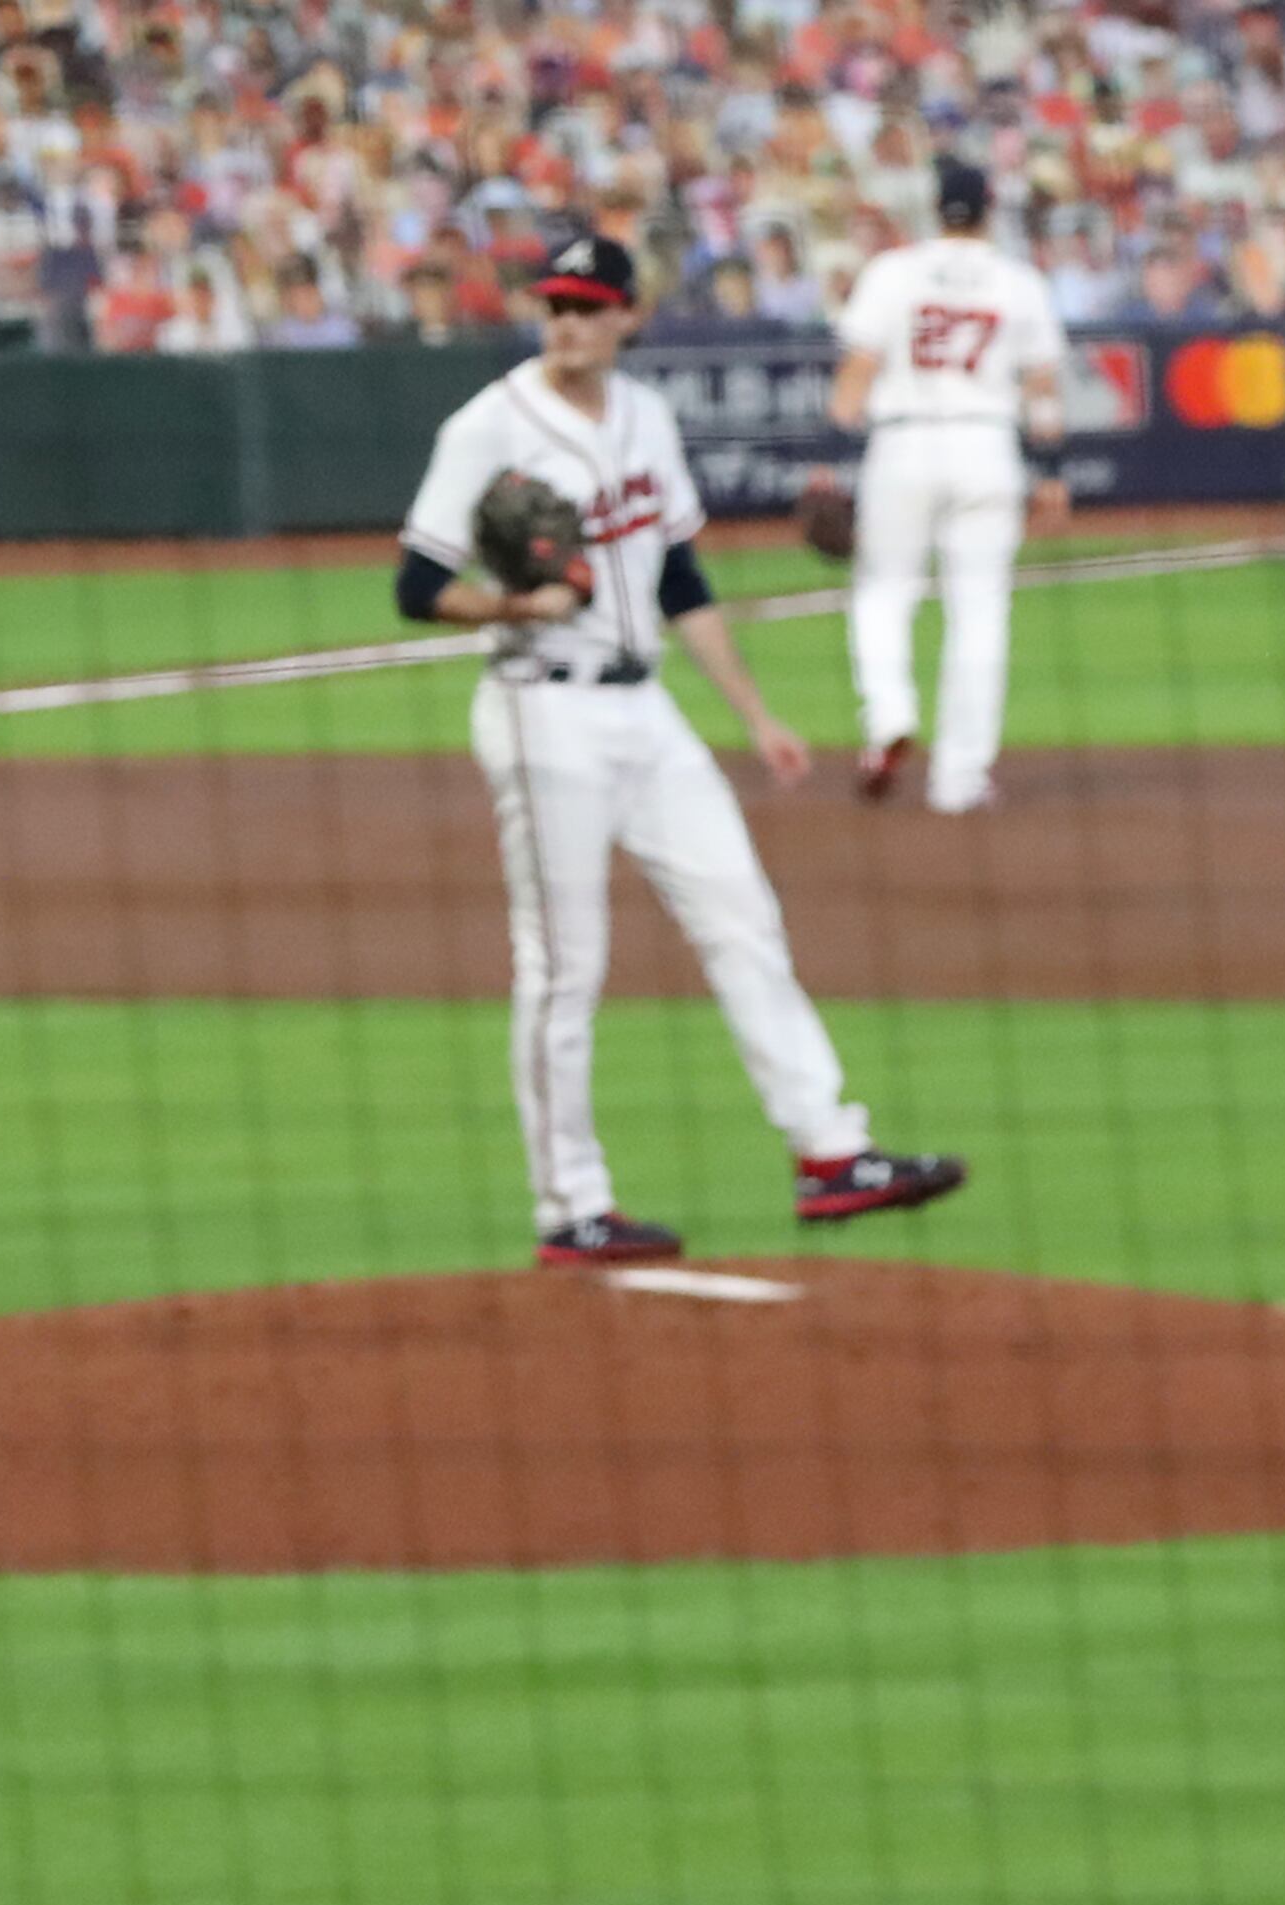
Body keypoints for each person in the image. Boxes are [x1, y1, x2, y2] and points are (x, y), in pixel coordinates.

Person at [395, 233, 967, 1267]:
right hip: (540, 707)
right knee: (566, 966)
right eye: (553, 305)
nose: (565, 321)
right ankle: (570, 1204)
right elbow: (415, 584)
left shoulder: (647, 417)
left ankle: (830, 1152)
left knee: (742, 913)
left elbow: (680, 581)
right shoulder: (486, 425)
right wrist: (516, 601)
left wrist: (755, 715)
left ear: (628, 316)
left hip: (645, 710)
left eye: (585, 304)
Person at [826, 159, 1072, 812]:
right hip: (987, 445)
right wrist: (1051, 474)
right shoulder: (1019, 282)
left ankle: (888, 717)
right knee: (981, 611)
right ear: (989, 210)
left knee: (883, 593)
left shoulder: (893, 272)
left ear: (936, 209)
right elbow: (1044, 397)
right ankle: (960, 779)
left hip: (904, 442)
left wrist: (829, 459)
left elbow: (852, 386)